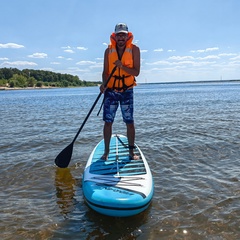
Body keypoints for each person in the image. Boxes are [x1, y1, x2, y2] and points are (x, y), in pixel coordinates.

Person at [100, 23, 140, 160]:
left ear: (128, 36)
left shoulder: (134, 50)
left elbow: (136, 72)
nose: (121, 37)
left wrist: (122, 67)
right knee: (108, 122)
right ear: (115, 36)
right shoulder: (108, 51)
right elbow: (105, 72)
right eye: (119, 35)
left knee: (129, 122)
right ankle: (106, 152)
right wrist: (103, 84)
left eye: (124, 34)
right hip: (110, 91)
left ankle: (131, 152)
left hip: (127, 90)